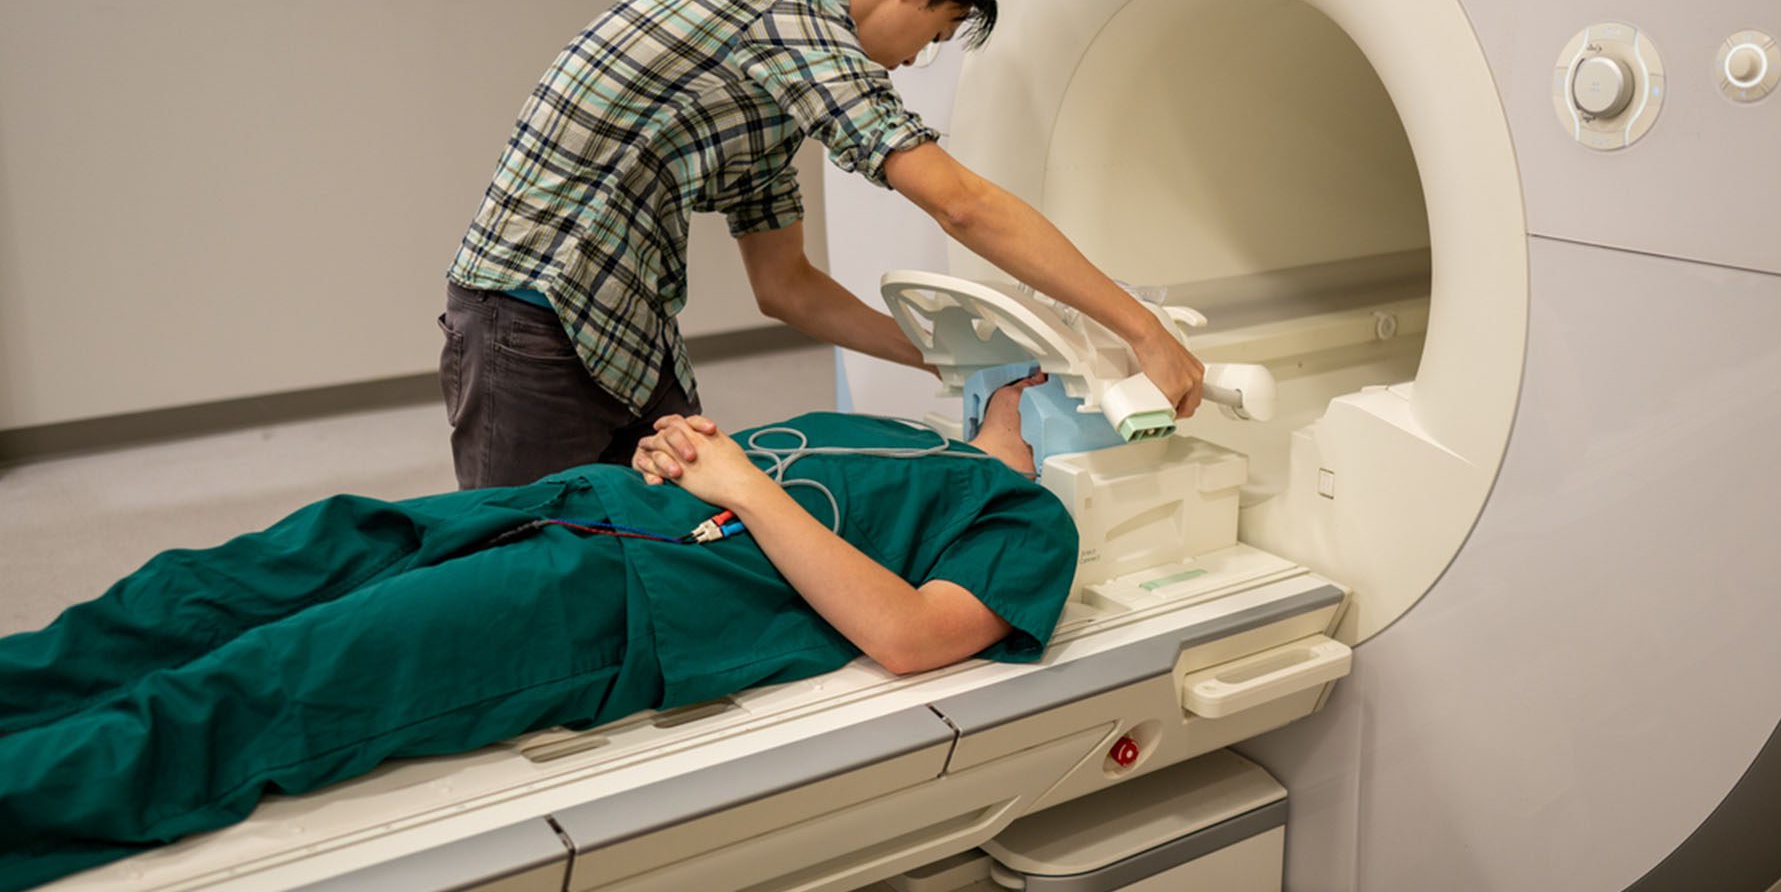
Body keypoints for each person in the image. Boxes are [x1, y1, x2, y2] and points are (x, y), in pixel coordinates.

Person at [0, 375, 1074, 891]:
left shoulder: (1030, 521)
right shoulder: (920, 435)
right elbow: (734, 472)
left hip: (617, 599)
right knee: (196, 594)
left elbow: (910, 634)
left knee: (266, 682)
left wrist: (739, 481)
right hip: (568, 501)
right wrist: (677, 454)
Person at [440, 0, 1204, 488]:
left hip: (627, 332)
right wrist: (1142, 329)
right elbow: (960, 202)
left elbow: (787, 288)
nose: (912, 63)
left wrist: (961, 362)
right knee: (523, 563)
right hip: (531, 315)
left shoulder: (772, 88)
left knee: (681, 534)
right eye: (935, 37)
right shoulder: (787, 11)